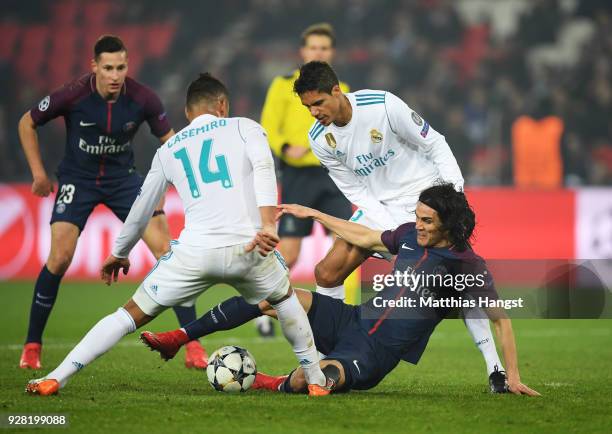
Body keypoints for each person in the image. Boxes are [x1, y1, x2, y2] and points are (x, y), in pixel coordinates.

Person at [25, 72, 328, 397]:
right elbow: (266, 170)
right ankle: (315, 380)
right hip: (250, 248)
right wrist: (268, 224)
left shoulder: (169, 148)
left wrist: (120, 250)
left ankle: (56, 377)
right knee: (285, 300)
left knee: (127, 316)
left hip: (194, 253)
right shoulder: (245, 127)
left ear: (187, 113)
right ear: (222, 105)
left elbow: (142, 206)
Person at [141, 184, 540, 396]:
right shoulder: (408, 237)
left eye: (426, 220)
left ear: (448, 223)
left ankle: (271, 381)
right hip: (351, 319)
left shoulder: (468, 267)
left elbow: (501, 320)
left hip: (373, 354)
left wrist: (510, 374)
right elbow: (364, 235)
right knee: (274, 295)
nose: (417, 225)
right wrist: (315, 214)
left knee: (313, 381)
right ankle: (179, 337)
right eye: (416, 217)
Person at [290, 60, 505, 382]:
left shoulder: (383, 105)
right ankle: (329, 353)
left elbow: (435, 142)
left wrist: (454, 198)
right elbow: (353, 188)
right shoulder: (319, 138)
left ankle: (495, 368)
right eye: (308, 107)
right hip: (379, 207)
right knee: (326, 271)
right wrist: (389, 229)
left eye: (318, 103)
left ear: (337, 91)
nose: (314, 112)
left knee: (458, 284)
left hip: (427, 199)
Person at [17, 35, 207, 371]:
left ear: (127, 66)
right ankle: (32, 345)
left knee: (167, 251)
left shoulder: (143, 98)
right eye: (108, 68)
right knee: (59, 258)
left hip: (124, 182)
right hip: (78, 180)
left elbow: (171, 141)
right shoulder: (73, 94)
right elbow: (26, 122)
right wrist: (38, 174)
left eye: (121, 67)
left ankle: (191, 343)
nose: (115, 75)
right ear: (95, 67)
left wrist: (165, 182)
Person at [258, 23, 353, 336]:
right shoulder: (283, 85)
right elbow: (269, 126)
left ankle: (343, 314)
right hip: (298, 175)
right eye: (313, 47)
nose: (318, 52)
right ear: (303, 52)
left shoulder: (344, 90)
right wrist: (286, 147)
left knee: (346, 243)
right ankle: (265, 305)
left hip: (333, 175)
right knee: (290, 252)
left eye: (324, 48)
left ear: (332, 53)